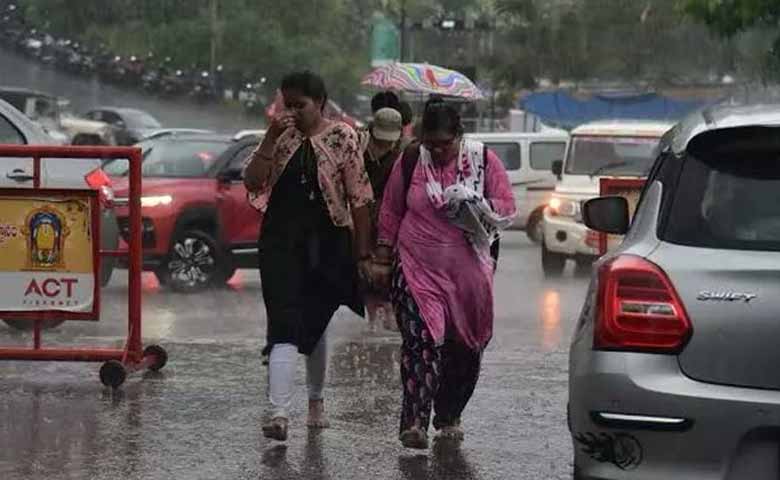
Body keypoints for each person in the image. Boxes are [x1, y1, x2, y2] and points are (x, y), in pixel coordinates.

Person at [372, 98, 516, 449]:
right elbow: (391, 210)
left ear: (459, 136)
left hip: (468, 274)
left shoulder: (484, 161)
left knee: (467, 348)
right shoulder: (410, 160)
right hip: (416, 267)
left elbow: (506, 209)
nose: (437, 151)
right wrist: (381, 256)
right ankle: (415, 422)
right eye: (430, 143)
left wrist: (473, 202)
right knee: (421, 342)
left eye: (444, 144)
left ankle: (449, 413)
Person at [243, 71, 374, 442]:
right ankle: (279, 413)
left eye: (300, 105)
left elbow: (360, 197)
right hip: (281, 244)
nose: (293, 113)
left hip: (327, 245)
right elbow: (253, 182)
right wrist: (270, 137)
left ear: (321, 102)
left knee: (314, 327)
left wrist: (363, 254)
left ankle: (315, 399)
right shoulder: (278, 137)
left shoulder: (343, 136)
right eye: (288, 105)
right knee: (283, 323)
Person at [358, 108, 404, 331]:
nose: (385, 145)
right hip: (361, 217)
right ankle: (372, 318)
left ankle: (390, 312)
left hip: (389, 220)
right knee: (365, 268)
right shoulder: (357, 149)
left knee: (388, 269)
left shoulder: (401, 155)